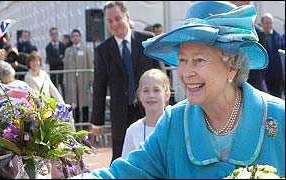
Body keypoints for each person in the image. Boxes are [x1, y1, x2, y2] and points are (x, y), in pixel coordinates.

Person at [71, 1, 285, 178]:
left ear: (231, 66)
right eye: (182, 60)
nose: (186, 72)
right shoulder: (174, 122)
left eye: (198, 60)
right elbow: (123, 174)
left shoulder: (278, 117)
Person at [90, 1, 162, 163]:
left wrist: (167, 106)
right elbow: (99, 88)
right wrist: (97, 123)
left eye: (117, 18)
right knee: (120, 160)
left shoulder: (147, 40)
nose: (114, 24)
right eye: (110, 21)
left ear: (127, 16)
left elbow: (162, 76)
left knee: (156, 155)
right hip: (120, 114)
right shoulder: (103, 51)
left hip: (150, 109)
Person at [121, 69, 171, 159]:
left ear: (167, 95)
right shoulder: (133, 131)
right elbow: (126, 167)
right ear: (139, 95)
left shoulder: (176, 126)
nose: (151, 95)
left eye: (156, 90)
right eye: (146, 91)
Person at [63, 29, 93, 124]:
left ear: (80, 37)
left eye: (77, 36)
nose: (75, 38)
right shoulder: (68, 51)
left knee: (84, 102)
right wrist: (65, 80)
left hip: (83, 80)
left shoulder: (86, 49)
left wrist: (91, 80)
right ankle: (74, 124)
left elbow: (90, 65)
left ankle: (84, 124)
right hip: (72, 80)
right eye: (73, 36)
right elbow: (65, 66)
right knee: (73, 103)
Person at [261, 13, 285, 98]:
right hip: (263, 77)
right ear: (262, 24)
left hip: (277, 76)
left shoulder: (278, 37)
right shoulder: (259, 37)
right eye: (267, 23)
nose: (269, 25)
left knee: (277, 99)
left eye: (270, 23)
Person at [45, 27, 67, 96]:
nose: (54, 35)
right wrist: (61, 60)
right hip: (53, 72)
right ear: (50, 35)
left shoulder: (63, 46)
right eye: (52, 34)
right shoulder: (48, 47)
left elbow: (65, 59)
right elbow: (51, 61)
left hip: (62, 72)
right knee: (54, 92)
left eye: (55, 33)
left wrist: (59, 61)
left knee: (64, 91)